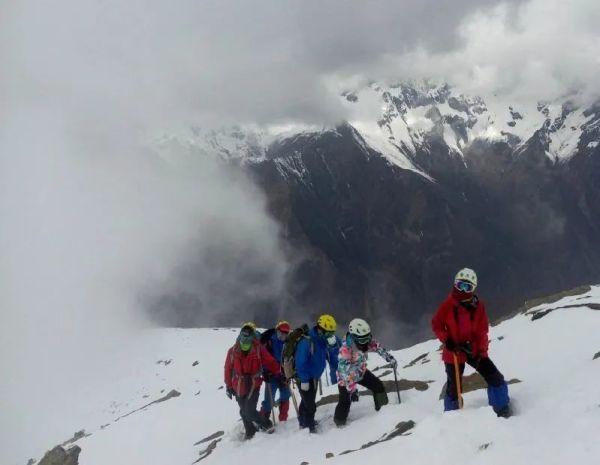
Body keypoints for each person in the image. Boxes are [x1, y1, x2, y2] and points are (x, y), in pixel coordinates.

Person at [431, 268, 511, 417]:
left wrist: (482, 352)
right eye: (460, 285)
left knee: (495, 377)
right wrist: (447, 340)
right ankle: (451, 417)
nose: (462, 290)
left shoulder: (479, 306)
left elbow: (482, 331)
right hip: (453, 352)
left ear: (473, 289)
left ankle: (501, 409)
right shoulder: (448, 305)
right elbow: (437, 324)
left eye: (467, 287)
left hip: (472, 350)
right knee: (454, 389)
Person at [224, 322, 282, 439]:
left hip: (253, 384)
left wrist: (278, 373)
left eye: (247, 337)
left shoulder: (258, 349)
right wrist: (229, 386)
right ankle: (250, 432)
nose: (245, 340)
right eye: (243, 337)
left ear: (252, 337)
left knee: (249, 411)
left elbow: (270, 361)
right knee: (243, 410)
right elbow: (228, 369)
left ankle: (266, 424)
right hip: (238, 386)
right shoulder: (233, 351)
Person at [334, 318, 396, 426]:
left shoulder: (364, 341)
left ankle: (384, 411)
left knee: (378, 386)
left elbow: (376, 346)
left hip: (360, 371)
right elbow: (345, 372)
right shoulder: (345, 348)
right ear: (354, 337)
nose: (366, 342)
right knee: (345, 401)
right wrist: (352, 390)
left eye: (367, 337)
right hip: (345, 379)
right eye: (363, 339)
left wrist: (389, 358)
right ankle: (339, 421)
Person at [295, 314, 340, 432]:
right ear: (321, 329)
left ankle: (303, 421)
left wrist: (338, 367)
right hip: (303, 377)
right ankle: (309, 427)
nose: (330, 335)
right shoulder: (307, 341)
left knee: (307, 401)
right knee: (310, 405)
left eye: (332, 333)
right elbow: (300, 363)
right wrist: (304, 380)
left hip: (314, 377)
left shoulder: (323, 341)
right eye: (328, 333)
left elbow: (330, 356)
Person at [259, 320, 292, 421]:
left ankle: (283, 419)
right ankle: (263, 420)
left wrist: (290, 372)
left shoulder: (288, 344)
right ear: (277, 331)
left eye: (285, 334)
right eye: (280, 333)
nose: (282, 336)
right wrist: (264, 371)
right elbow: (263, 358)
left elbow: (291, 359)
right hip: (271, 375)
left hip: (284, 375)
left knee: (286, 395)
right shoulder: (268, 341)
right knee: (269, 399)